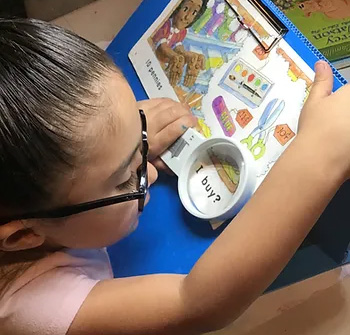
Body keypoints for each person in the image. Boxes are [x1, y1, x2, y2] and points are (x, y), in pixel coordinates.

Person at [0, 18, 349, 335]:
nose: (149, 171)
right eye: (125, 179)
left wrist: (113, 138)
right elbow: (195, 303)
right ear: (23, 235)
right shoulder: (30, 310)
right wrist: (321, 151)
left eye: (141, 140)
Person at [152, 0, 208, 87]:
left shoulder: (182, 32)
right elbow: (162, 47)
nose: (187, 17)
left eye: (194, 12)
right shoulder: (165, 24)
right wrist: (174, 57)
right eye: (186, 9)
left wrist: (190, 56)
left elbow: (178, 46)